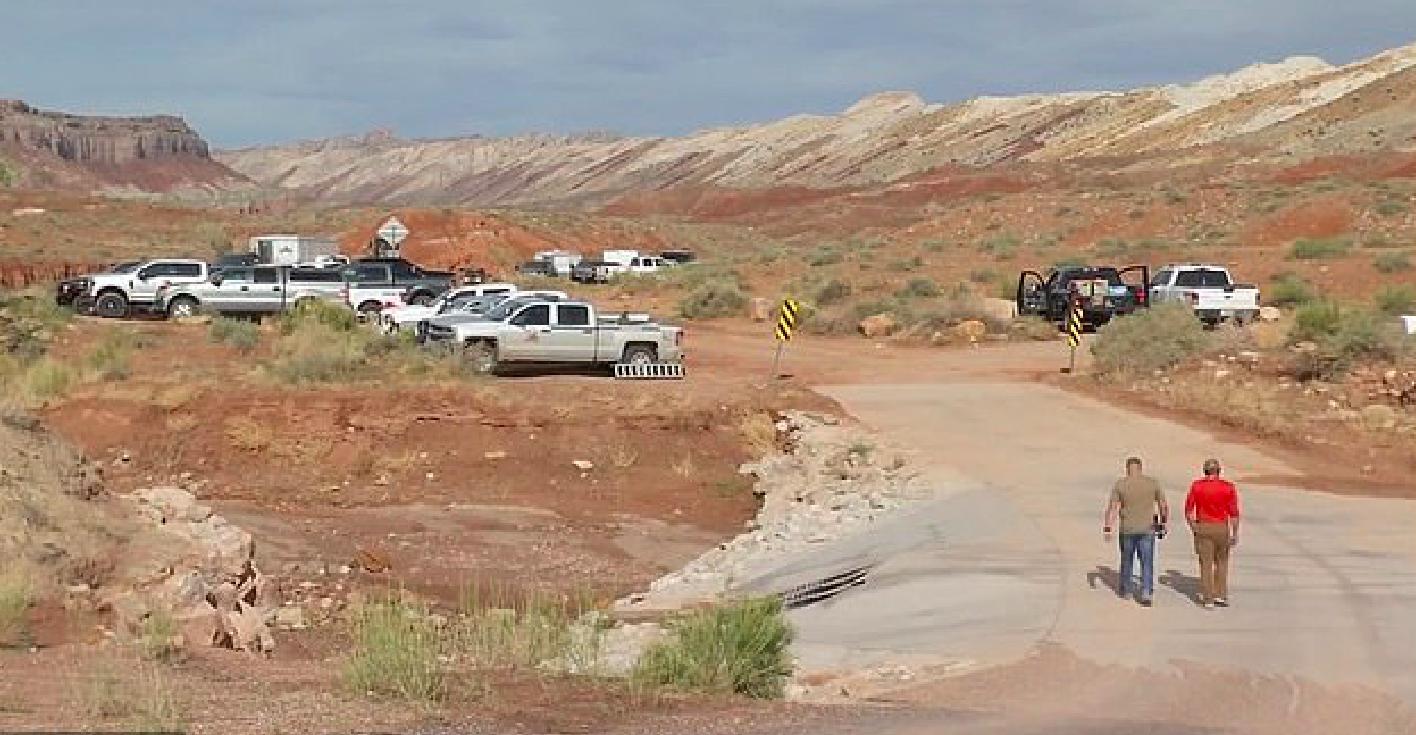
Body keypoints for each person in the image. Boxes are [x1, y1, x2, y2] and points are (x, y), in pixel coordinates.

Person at [1103, 456, 1168, 606]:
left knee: (1127, 560)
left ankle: (1126, 590)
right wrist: (1163, 522)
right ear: (1140, 468)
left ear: (1127, 468)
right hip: (1147, 529)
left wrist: (1108, 527)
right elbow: (1163, 505)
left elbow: (1113, 508)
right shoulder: (1152, 483)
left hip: (1127, 529)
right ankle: (1146, 591)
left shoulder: (1120, 484)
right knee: (1147, 561)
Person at [1184, 458, 1241, 609]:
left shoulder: (1197, 486)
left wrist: (1193, 527)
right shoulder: (1228, 487)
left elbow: (1189, 510)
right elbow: (1234, 513)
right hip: (1221, 527)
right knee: (1222, 562)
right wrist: (1234, 532)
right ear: (1219, 471)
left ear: (1205, 470)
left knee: (1206, 564)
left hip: (1203, 526)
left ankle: (1208, 598)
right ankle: (1221, 594)